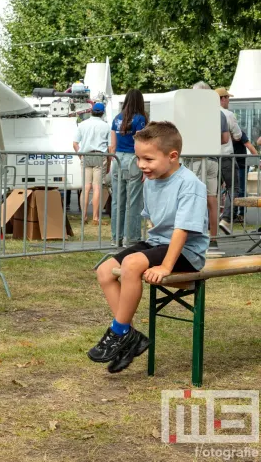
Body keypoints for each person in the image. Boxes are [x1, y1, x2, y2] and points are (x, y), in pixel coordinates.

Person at [90, 121, 208, 373]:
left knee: (132, 264)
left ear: (172, 156)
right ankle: (130, 338)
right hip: (159, 242)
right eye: (138, 158)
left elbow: (181, 230)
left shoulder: (190, 184)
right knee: (106, 269)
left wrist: (165, 265)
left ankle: (118, 332)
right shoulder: (150, 181)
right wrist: (150, 252)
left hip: (186, 250)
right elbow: (156, 222)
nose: (141, 165)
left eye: (148, 159)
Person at [189, 81, 229, 256]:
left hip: (195, 159)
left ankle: (194, 240)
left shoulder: (190, 112)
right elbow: (225, 138)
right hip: (213, 159)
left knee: (192, 198)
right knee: (212, 199)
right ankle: (213, 240)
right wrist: (210, 141)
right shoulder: (219, 114)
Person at [110, 89, 147, 247]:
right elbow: (140, 143)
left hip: (118, 159)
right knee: (133, 201)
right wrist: (143, 163)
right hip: (133, 159)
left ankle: (115, 237)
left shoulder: (117, 119)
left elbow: (112, 145)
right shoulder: (140, 119)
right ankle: (131, 238)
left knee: (117, 201)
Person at [73, 102, 110, 225]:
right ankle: (95, 217)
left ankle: (83, 216)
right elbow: (109, 147)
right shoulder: (106, 126)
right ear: (102, 113)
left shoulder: (82, 124)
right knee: (97, 187)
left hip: (86, 155)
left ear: (91, 111)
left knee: (86, 187)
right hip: (100, 155)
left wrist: (81, 156)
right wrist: (109, 163)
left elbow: (75, 143)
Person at [215, 88, 244, 235]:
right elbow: (238, 135)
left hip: (212, 157)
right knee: (234, 187)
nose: (228, 101)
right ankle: (225, 219)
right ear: (223, 98)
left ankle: (209, 222)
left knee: (212, 192)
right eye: (228, 98)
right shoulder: (228, 115)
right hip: (227, 156)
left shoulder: (208, 113)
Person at [232, 129, 259, 222]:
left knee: (241, 189)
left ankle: (241, 214)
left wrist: (258, 160)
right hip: (231, 164)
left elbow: (250, 146)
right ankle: (233, 214)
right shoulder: (225, 133)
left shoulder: (239, 133)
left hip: (241, 165)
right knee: (233, 189)